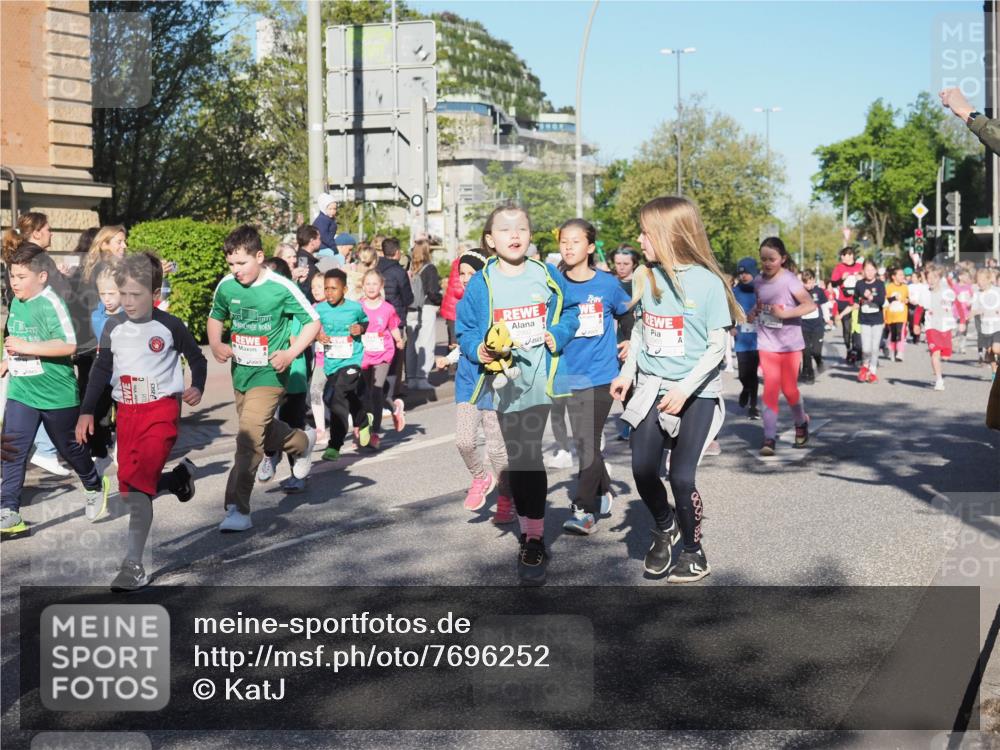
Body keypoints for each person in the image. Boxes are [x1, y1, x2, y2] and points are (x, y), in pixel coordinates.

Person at [610, 196, 738, 582]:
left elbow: (717, 347)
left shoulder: (709, 282)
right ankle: (666, 526)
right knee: (643, 469)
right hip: (651, 385)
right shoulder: (645, 277)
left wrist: (684, 389)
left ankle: (694, 553)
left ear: (668, 235)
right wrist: (627, 374)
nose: (639, 239)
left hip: (696, 391)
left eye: (646, 232)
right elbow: (643, 334)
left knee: (681, 477)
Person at [456, 205, 580, 586]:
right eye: (506, 230)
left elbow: (571, 311)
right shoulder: (483, 282)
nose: (515, 235)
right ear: (490, 241)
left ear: (530, 235)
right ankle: (530, 525)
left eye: (522, 229)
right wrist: (478, 349)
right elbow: (466, 328)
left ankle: (533, 538)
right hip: (502, 385)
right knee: (519, 457)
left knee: (527, 455)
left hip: (539, 381)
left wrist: (556, 334)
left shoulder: (545, 273)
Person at [75, 252, 205, 591]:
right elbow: (101, 371)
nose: (128, 302)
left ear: (155, 294)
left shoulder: (170, 326)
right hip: (127, 413)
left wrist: (198, 386)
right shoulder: (113, 327)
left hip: (161, 412)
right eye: (123, 294)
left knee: (137, 483)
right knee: (132, 487)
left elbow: (197, 358)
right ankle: (177, 480)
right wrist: (87, 411)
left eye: (136, 295)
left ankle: (133, 566)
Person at [207, 225, 320, 532]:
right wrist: (216, 343)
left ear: (259, 256)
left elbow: (312, 322)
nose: (236, 270)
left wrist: (291, 353)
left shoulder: (281, 288)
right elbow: (216, 316)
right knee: (260, 431)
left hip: (271, 375)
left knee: (247, 440)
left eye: (241, 263)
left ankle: (237, 508)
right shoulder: (227, 286)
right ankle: (301, 442)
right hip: (241, 373)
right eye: (230, 264)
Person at [1, 245, 110, 538]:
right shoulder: (17, 301)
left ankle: (93, 483)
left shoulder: (52, 303)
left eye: (22, 276)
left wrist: (26, 348)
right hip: (22, 391)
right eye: (12, 275)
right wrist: (6, 362)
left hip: (56, 394)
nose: (14, 282)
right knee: (11, 449)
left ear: (42, 277)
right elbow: (15, 338)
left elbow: (69, 345)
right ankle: (8, 511)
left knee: (70, 448)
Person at [557, 219, 631, 535]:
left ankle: (584, 509)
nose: (569, 246)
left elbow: (627, 313)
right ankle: (604, 488)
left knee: (588, 440)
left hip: (601, 372)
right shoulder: (554, 284)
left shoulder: (607, 284)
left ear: (589, 247)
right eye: (564, 241)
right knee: (582, 440)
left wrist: (627, 338)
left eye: (576, 241)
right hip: (565, 373)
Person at [435, 250, 514, 522]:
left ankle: (506, 497)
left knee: (496, 448)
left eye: (472, 273)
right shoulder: (461, 305)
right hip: (468, 381)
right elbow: (464, 340)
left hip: (493, 383)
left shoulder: (498, 304)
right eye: (462, 274)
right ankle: (480, 478)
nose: (467, 279)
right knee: (464, 440)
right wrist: (448, 358)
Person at [752, 237, 817, 455]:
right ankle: (769, 438)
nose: (767, 263)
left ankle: (801, 422)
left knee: (789, 389)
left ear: (783, 259)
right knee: (770, 388)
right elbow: (760, 303)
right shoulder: (758, 281)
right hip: (766, 342)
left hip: (790, 344)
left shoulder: (790, 280)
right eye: (763, 259)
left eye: (772, 259)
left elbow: (809, 305)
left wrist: (786, 313)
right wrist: (754, 312)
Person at [256, 257, 313, 493]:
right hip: (265, 374)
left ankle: (296, 472)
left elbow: (297, 339)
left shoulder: (295, 303)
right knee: (263, 420)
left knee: (292, 424)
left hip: (293, 376)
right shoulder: (260, 303)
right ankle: (270, 454)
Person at [314, 269, 372, 461]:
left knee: (339, 393)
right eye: (326, 288)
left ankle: (334, 445)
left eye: (334, 288)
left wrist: (360, 328)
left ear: (344, 289)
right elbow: (311, 328)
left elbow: (365, 322)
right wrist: (318, 336)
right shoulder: (319, 309)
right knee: (331, 398)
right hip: (332, 364)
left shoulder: (355, 308)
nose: (329, 292)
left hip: (352, 360)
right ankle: (363, 419)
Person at [360, 268, 406, 448]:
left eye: (375, 284)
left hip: (383, 353)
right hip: (364, 354)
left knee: (377, 390)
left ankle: (375, 432)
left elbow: (393, 326)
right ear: (363, 286)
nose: (371, 287)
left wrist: (398, 339)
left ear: (381, 286)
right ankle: (391, 410)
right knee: (364, 392)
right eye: (368, 283)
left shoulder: (387, 308)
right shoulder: (358, 306)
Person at [376, 237, 414, 400]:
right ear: (397, 253)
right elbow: (408, 297)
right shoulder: (399, 272)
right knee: (395, 358)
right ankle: (391, 393)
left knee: (378, 357)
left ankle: (377, 391)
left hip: (376, 319)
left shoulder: (376, 268)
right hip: (396, 320)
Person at [911, 263, 957, 391]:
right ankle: (939, 379)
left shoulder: (946, 291)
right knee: (935, 353)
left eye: (934, 277)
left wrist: (963, 320)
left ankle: (940, 372)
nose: (931, 280)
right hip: (931, 326)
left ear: (939, 278)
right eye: (929, 277)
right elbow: (919, 310)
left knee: (946, 356)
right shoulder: (925, 293)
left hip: (945, 326)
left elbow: (956, 301)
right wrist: (915, 324)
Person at [405, 240, 442, 391]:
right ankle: (422, 377)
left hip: (411, 309)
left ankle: (411, 378)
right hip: (426, 307)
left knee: (412, 345)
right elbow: (432, 292)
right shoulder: (430, 269)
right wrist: (441, 299)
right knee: (426, 343)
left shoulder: (410, 268)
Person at [732, 257, 761, 418]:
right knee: (743, 374)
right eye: (741, 274)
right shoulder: (735, 292)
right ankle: (746, 389)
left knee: (753, 373)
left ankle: (753, 406)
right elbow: (729, 310)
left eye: (747, 273)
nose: (743, 277)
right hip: (742, 338)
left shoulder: (761, 289)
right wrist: (731, 327)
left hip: (758, 339)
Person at [852, 259, 886, 383]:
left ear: (876, 271)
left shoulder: (880, 284)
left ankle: (872, 372)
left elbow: (881, 301)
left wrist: (871, 297)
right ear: (863, 271)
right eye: (867, 270)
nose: (870, 272)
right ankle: (865, 365)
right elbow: (855, 298)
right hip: (864, 319)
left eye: (872, 270)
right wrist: (856, 303)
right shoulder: (859, 284)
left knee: (875, 347)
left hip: (877, 320)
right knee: (866, 348)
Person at [831, 246, 863, 360]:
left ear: (853, 255)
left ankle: (856, 349)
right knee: (847, 327)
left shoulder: (860, 267)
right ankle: (849, 349)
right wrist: (841, 279)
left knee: (856, 326)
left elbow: (867, 279)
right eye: (844, 255)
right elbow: (833, 284)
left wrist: (861, 277)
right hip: (843, 301)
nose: (847, 257)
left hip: (857, 300)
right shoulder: (839, 268)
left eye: (850, 255)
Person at [799, 269, 827, 384]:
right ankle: (809, 374)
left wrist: (828, 318)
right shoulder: (799, 293)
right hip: (803, 325)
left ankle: (819, 362)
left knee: (816, 351)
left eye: (810, 282)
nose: (809, 285)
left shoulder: (819, 291)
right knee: (806, 351)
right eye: (806, 283)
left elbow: (825, 305)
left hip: (817, 326)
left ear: (814, 280)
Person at [971, 268, 1000, 375]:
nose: (980, 282)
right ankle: (994, 372)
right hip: (985, 328)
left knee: (996, 349)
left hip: (998, 326)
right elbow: (973, 309)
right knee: (989, 352)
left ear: (989, 279)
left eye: (983, 280)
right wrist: (974, 313)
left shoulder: (997, 291)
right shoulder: (977, 294)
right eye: (978, 280)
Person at [884, 267, 910, 362]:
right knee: (893, 334)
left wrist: (907, 300)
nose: (902, 276)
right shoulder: (889, 287)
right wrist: (893, 298)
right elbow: (885, 300)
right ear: (893, 277)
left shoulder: (905, 287)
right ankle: (892, 349)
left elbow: (907, 298)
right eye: (900, 275)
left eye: (903, 275)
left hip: (902, 314)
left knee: (901, 333)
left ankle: (900, 352)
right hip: (891, 314)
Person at [294, 224, 322, 299]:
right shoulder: (303, 261)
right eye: (319, 239)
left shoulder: (303, 258)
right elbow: (307, 286)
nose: (320, 242)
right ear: (312, 241)